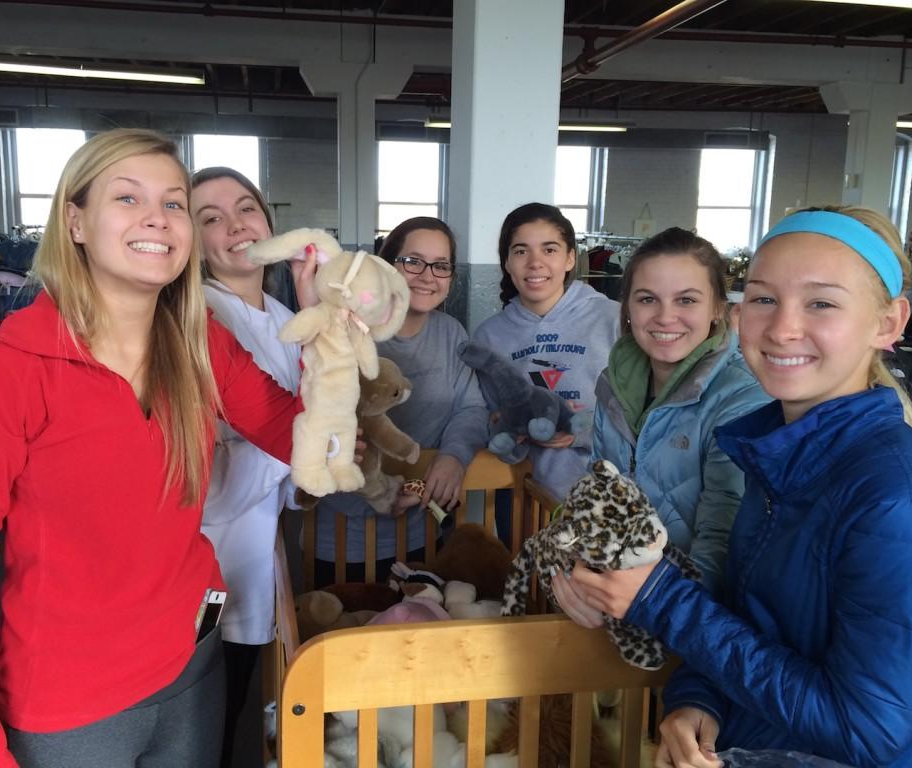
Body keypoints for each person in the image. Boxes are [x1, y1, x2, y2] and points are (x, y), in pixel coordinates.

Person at [0, 130, 302, 768]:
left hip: (193, 663)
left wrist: (331, 325)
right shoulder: (0, 373)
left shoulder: (202, 345)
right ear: (75, 221)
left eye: (173, 203)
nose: (157, 217)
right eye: (128, 198)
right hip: (71, 705)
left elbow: (297, 431)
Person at [569, 206, 912, 767]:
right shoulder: (774, 453)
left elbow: (871, 729)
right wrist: (700, 700)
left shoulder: (890, 495)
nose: (782, 328)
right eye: (763, 298)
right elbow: (751, 622)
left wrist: (661, 599)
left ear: (889, 323)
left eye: (821, 302)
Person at [556, 227, 767, 602]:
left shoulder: (742, 399)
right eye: (647, 299)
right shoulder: (613, 384)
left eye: (686, 300)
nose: (665, 317)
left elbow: (722, 540)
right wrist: (582, 574)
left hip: (691, 620)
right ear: (628, 308)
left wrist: (654, 610)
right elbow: (601, 493)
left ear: (718, 307)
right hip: (620, 599)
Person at [190, 166, 301, 766]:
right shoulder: (194, 319)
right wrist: (295, 458)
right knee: (202, 688)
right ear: (194, 241)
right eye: (211, 218)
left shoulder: (288, 318)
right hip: (206, 558)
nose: (235, 226)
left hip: (263, 549)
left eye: (246, 209)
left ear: (269, 223)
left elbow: (306, 437)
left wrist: (301, 480)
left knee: (235, 691)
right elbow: (208, 468)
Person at [313, 216, 489, 586]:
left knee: (416, 635)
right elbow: (317, 433)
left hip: (424, 531)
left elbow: (471, 408)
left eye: (441, 265)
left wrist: (454, 456)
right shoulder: (344, 333)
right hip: (347, 538)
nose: (427, 275)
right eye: (412, 261)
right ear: (385, 265)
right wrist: (375, 497)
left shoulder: (451, 333)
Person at [472, 202, 620, 502]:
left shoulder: (612, 319)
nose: (535, 263)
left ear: (569, 259)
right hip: (520, 500)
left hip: (605, 500)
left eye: (549, 250)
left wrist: (582, 431)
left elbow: (641, 414)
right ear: (507, 263)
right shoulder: (489, 335)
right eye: (521, 251)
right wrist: (504, 428)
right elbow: (487, 419)